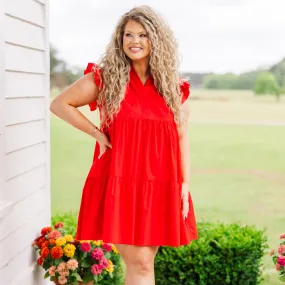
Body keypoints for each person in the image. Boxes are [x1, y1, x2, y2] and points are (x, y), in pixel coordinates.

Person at [50, 5, 198, 285]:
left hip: (161, 184)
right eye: (128, 34)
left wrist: (184, 185)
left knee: (145, 263)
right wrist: (97, 133)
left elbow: (181, 138)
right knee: (140, 264)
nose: (134, 41)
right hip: (120, 181)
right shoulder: (106, 79)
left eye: (143, 34)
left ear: (157, 39)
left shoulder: (173, 88)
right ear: (120, 40)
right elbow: (60, 104)